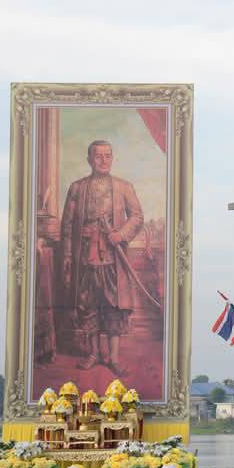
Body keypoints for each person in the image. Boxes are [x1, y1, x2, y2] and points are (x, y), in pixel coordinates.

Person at [60, 140, 144, 376]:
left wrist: (121, 234)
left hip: (112, 260)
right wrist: (67, 254)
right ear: (89, 159)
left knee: (113, 307)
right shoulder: (77, 188)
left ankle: (114, 358)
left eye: (108, 156)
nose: (103, 160)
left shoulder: (124, 187)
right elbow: (67, 225)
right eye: (98, 156)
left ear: (112, 158)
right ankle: (94, 353)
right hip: (85, 259)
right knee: (88, 306)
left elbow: (137, 217)